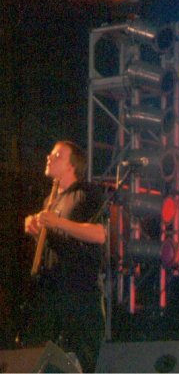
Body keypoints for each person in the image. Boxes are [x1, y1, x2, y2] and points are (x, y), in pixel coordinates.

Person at [23, 141, 105, 372]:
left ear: (72, 165)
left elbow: (99, 234)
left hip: (80, 297)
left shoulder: (86, 193)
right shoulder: (50, 201)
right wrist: (36, 230)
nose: (49, 157)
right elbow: (58, 245)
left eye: (57, 155)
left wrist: (58, 222)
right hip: (54, 295)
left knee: (79, 363)